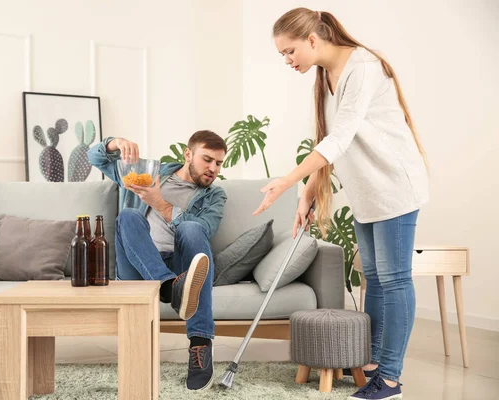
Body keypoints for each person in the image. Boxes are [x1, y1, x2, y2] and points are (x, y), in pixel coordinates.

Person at [254, 8, 429, 400]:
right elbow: (330, 143)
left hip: (395, 188)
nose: (287, 61)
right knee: (377, 280)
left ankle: (390, 379)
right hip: (368, 191)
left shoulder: (363, 68)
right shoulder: (325, 77)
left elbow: (340, 137)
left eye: (288, 51)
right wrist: (307, 195)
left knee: (395, 278)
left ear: (312, 40)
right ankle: (372, 366)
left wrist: (287, 180)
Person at [88, 130, 227, 391]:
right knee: (128, 215)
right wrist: (115, 143)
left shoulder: (213, 196)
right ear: (188, 155)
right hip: (138, 264)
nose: (213, 169)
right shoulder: (148, 173)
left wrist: (161, 204)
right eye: (207, 160)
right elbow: (95, 158)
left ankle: (200, 345)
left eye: (218, 163)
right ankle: (166, 286)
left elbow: (205, 230)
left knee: (193, 229)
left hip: (182, 271)